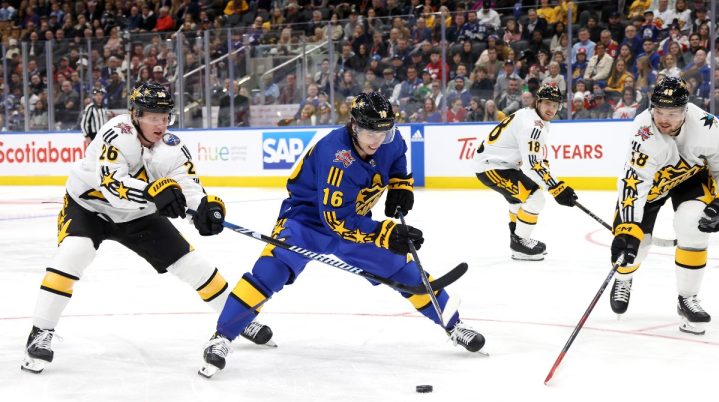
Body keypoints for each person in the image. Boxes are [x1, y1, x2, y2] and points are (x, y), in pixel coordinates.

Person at [198, 92, 486, 378]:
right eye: (370, 131)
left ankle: (454, 324)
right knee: (270, 272)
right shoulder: (337, 157)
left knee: (403, 270)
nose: (377, 139)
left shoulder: (391, 139)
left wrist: (400, 186)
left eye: (383, 131)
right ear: (354, 126)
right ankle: (221, 337)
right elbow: (336, 221)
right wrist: (385, 233)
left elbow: (397, 156)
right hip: (306, 223)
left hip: (353, 219)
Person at [21, 82, 272, 374]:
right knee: (74, 253)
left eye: (165, 116)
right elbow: (112, 186)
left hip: (138, 215)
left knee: (195, 266)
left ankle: (238, 319)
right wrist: (154, 192)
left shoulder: (173, 148)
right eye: (153, 116)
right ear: (135, 114)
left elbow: (188, 187)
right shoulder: (116, 133)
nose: (161, 124)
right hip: (90, 207)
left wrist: (205, 209)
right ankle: (40, 333)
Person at [609, 77, 719, 335]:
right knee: (635, 247)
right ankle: (624, 277)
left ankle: (687, 299)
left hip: (689, 179)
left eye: (672, 113)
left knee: (694, 224)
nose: (663, 119)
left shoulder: (706, 126)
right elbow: (634, 181)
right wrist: (627, 227)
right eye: (659, 111)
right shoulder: (643, 131)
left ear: (686, 110)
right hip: (651, 187)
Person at [473, 86, 579, 261]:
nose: (551, 109)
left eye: (555, 105)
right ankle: (520, 243)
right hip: (492, 167)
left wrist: (552, 183)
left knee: (518, 199)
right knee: (536, 198)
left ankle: (518, 241)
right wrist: (557, 188)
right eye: (547, 103)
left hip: (501, 165)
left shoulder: (534, 117)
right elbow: (532, 165)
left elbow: (538, 158)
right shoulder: (533, 126)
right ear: (538, 102)